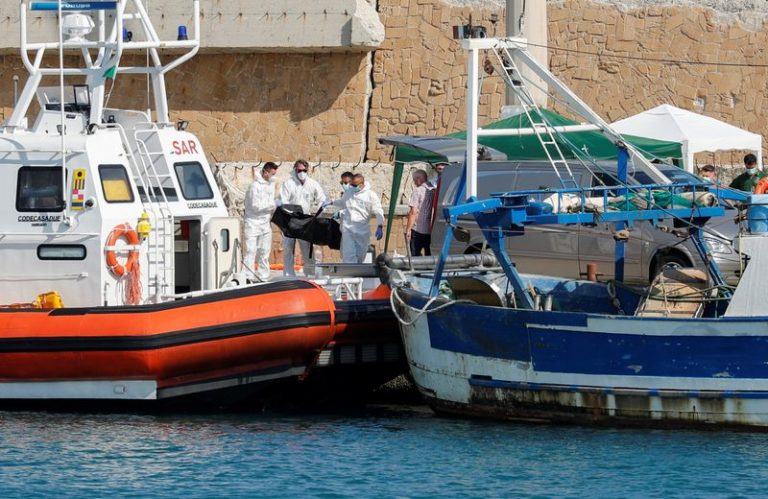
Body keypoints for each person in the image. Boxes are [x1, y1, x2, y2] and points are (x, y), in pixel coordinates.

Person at [278, 159, 327, 276]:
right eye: (300, 170)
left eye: (304, 170)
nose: (302, 172)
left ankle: (310, 272)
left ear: (307, 170)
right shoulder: (288, 183)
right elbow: (283, 200)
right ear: (295, 169)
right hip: (290, 219)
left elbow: (321, 199)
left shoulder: (312, 184)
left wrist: (321, 211)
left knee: (307, 248)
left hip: (305, 220)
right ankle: (289, 274)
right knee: (288, 247)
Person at [324, 173, 384, 263]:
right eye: (351, 184)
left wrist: (380, 225)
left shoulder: (371, 195)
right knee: (349, 257)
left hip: (362, 231)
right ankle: (349, 275)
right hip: (348, 229)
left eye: (354, 185)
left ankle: (356, 274)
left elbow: (378, 211)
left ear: (362, 184)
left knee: (360, 256)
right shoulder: (349, 192)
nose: (352, 186)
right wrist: (331, 202)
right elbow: (342, 202)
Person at [243, 162, 279, 281]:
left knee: (264, 251)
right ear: (265, 172)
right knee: (251, 250)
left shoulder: (270, 185)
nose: (274, 177)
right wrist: (273, 205)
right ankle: (248, 276)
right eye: (272, 174)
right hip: (253, 222)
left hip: (265, 222)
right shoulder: (255, 186)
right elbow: (255, 206)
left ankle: (263, 276)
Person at [406, 169, 434, 256]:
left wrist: (408, 229)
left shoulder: (417, 191)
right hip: (430, 230)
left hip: (418, 229)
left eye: (414, 181)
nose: (415, 183)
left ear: (418, 179)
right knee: (429, 255)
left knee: (415, 255)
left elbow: (413, 212)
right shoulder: (434, 190)